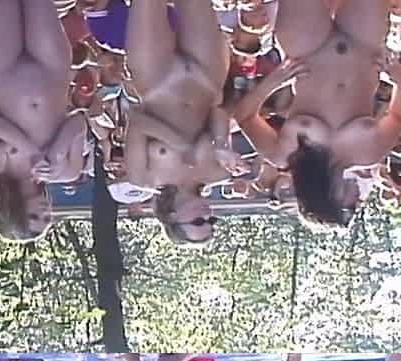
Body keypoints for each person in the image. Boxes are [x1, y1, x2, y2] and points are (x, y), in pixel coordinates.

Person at [234, 0, 400, 226]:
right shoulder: (369, 154)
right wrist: (397, 79)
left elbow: (244, 117)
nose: (357, 201)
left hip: (306, 51)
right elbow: (396, 117)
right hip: (364, 47)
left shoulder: (285, 155)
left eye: (350, 207)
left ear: (327, 199)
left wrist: (274, 81)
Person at [123, 0, 244, 245]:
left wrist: (179, 143)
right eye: (212, 221)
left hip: (155, 82)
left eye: (198, 222)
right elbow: (218, 112)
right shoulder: (219, 173)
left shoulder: (143, 178)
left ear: (172, 217)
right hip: (207, 80)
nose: (207, 216)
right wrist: (222, 143)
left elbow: (136, 121)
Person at [0, 0, 87, 242]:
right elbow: (79, 122)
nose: (46, 212)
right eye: (48, 218)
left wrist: (32, 150)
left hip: (1, 74)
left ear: (12, 211)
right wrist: (56, 151)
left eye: (35, 216)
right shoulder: (67, 172)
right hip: (52, 71)